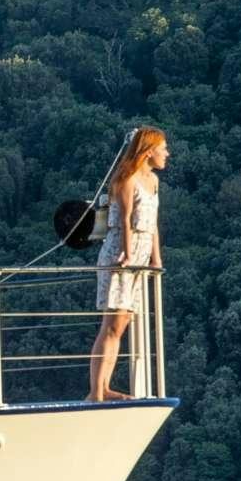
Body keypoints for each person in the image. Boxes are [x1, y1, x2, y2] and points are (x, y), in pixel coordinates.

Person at [88, 126, 167, 402]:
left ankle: (103, 387)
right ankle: (97, 392)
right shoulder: (127, 180)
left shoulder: (153, 181)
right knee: (111, 324)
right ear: (148, 152)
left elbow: (153, 223)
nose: (166, 154)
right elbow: (124, 220)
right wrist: (127, 255)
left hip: (141, 255)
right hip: (120, 255)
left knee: (121, 325)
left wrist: (156, 259)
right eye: (162, 148)